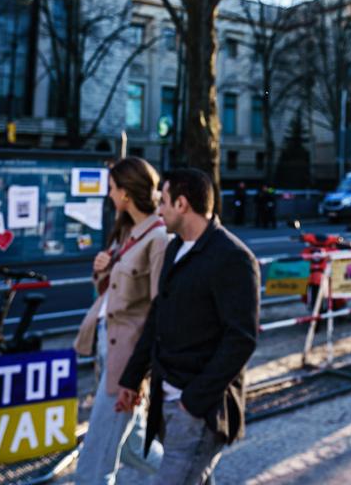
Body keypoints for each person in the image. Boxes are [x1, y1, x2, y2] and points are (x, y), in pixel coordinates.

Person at [117, 168, 261, 485]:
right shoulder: (174, 248)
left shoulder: (233, 257)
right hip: (167, 401)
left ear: (182, 204)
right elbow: (158, 318)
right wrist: (132, 377)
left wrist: (193, 401)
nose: (159, 210)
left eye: (164, 202)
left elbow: (242, 339)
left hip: (198, 410)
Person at [73, 158, 170, 485]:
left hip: (126, 360)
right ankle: (192, 476)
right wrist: (102, 267)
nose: (109, 194)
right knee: (132, 448)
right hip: (107, 346)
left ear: (126, 193)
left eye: (112, 188)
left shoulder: (158, 239)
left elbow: (161, 310)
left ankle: (192, 475)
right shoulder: (128, 233)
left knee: (93, 466)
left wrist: (139, 374)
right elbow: (111, 292)